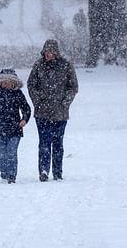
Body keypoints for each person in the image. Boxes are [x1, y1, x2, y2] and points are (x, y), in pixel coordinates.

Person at [27, 39, 79, 182]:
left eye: (51, 52)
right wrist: (38, 100)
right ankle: (43, 171)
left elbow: (73, 87)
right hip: (42, 112)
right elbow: (31, 85)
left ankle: (57, 172)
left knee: (58, 144)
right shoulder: (38, 65)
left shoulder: (66, 65)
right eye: (46, 52)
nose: (48, 55)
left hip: (60, 113)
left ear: (56, 52)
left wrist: (65, 103)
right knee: (44, 143)